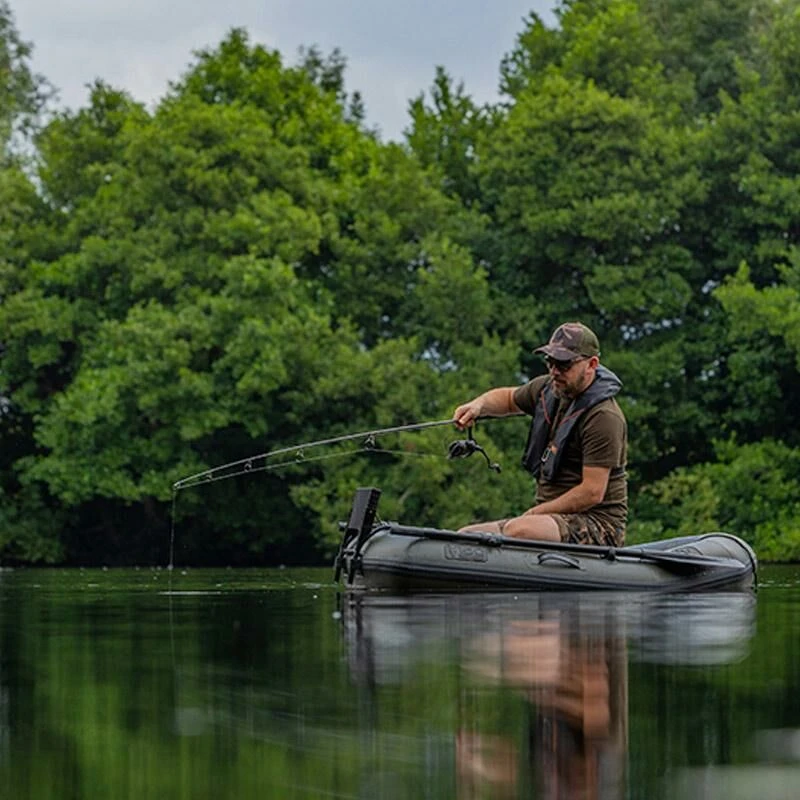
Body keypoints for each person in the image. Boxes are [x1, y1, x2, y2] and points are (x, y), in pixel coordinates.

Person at [453, 322, 627, 546]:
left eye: (564, 364)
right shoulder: (549, 388)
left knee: (521, 529)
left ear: (591, 364)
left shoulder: (603, 417)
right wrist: (478, 405)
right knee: (464, 536)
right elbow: (507, 399)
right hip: (547, 520)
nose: (555, 371)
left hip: (599, 524)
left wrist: (536, 513)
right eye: (550, 362)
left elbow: (592, 492)